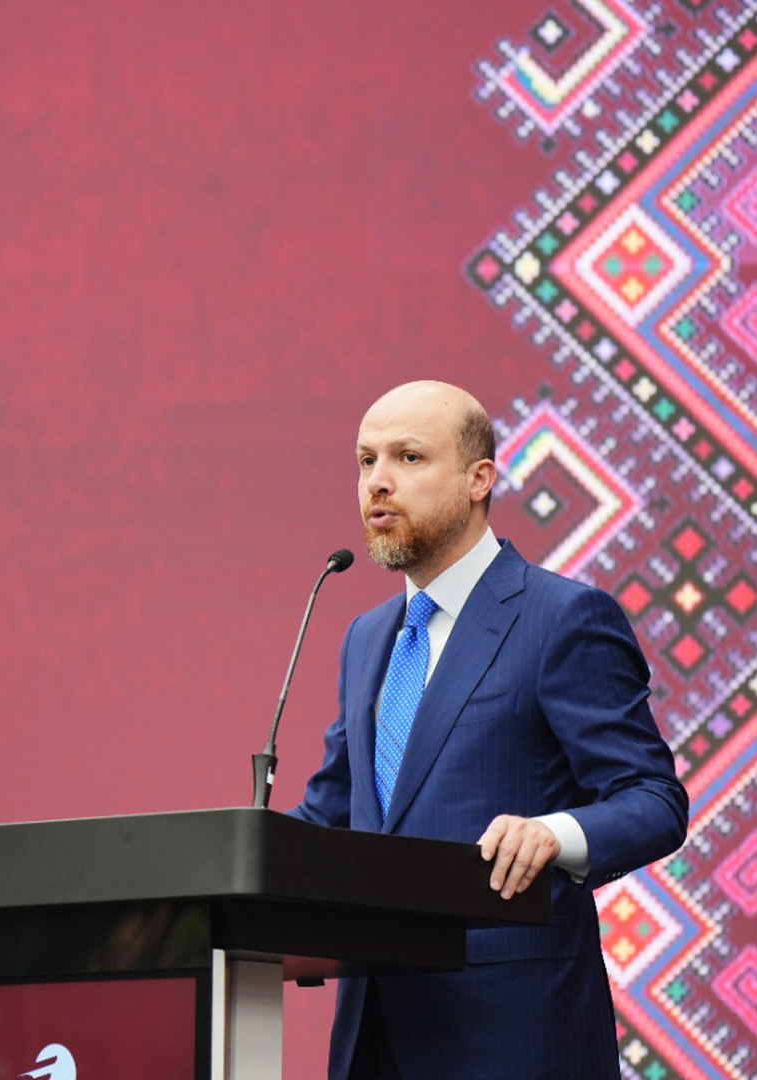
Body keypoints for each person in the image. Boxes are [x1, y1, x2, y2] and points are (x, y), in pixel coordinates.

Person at [291, 380, 688, 1079]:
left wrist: (554, 834)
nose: (378, 481)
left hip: (511, 1035)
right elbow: (328, 818)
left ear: (479, 479)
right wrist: (207, 872)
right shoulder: (366, 638)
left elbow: (654, 800)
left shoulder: (561, 618)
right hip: (374, 1035)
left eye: (409, 458)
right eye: (366, 461)